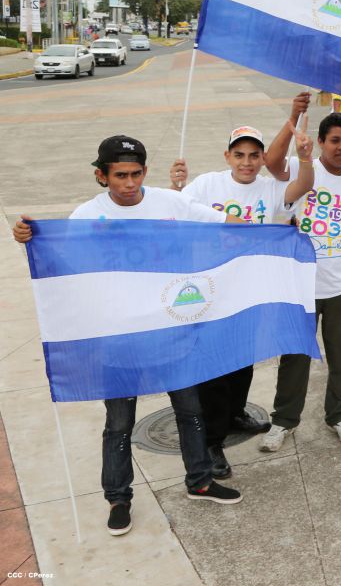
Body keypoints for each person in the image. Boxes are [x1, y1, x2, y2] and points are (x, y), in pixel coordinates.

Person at [12, 136, 244, 538]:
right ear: (101, 176)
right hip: (118, 340)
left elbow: (223, 223)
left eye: (136, 174)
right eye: (120, 175)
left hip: (171, 331)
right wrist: (27, 240)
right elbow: (60, 264)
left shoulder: (170, 203)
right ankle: (118, 498)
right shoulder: (85, 216)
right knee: (119, 424)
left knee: (190, 411)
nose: (129, 183)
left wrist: (275, 231)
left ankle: (200, 481)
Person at [168, 109, 316, 479]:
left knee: (243, 362)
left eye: (254, 155)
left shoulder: (269, 189)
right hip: (214, 291)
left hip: (251, 291)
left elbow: (302, 188)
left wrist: (304, 158)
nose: (247, 162)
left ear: (262, 158)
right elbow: (178, 210)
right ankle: (212, 442)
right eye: (240, 155)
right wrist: (175, 185)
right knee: (217, 368)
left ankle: (235, 414)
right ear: (227, 156)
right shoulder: (206, 184)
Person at [261, 110, 341, 450]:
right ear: (322, 143)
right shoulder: (302, 170)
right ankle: (283, 420)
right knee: (295, 356)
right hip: (300, 286)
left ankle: (339, 416)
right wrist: (294, 116)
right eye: (335, 141)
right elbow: (272, 168)